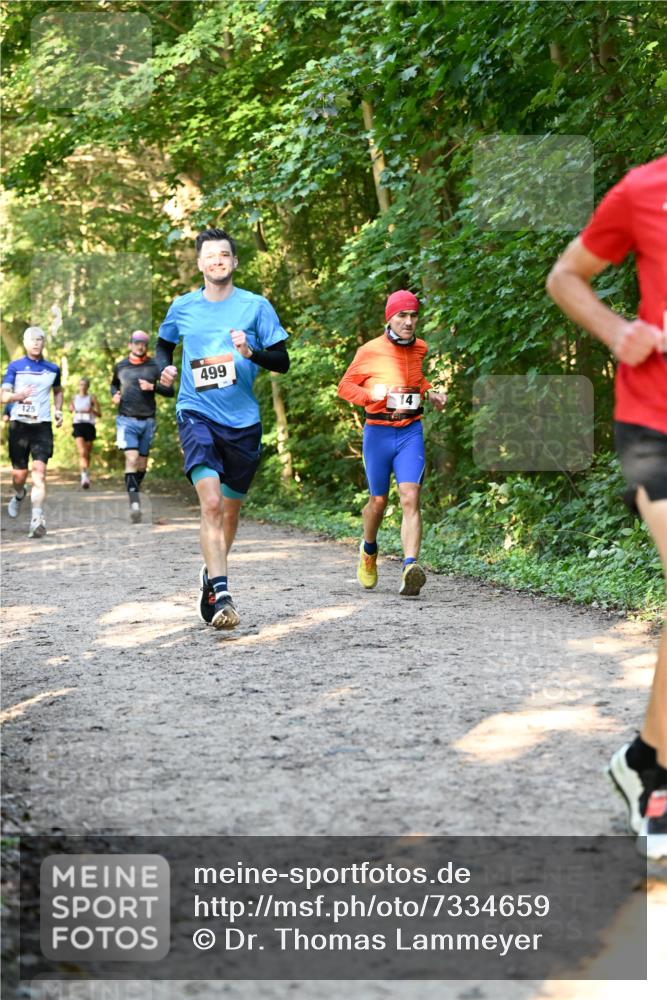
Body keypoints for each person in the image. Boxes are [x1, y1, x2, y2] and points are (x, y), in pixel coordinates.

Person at [546, 154, 667, 860]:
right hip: (654, 424)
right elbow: (565, 277)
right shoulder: (643, 189)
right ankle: (656, 784)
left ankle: (644, 761)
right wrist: (617, 332)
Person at [156, 227, 290, 631]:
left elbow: (282, 361)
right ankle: (223, 593)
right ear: (199, 264)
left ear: (234, 262)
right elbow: (164, 344)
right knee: (211, 504)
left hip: (244, 423)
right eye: (210, 256)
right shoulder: (182, 307)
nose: (218, 261)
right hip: (196, 412)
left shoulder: (256, 306)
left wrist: (252, 352)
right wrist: (163, 367)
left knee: (229, 512)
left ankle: (209, 575)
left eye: (225, 255)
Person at [337, 290, 446, 596]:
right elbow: (345, 387)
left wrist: (432, 391)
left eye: (413, 316)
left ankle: (410, 566)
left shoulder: (420, 348)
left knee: (410, 496)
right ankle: (369, 550)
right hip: (378, 433)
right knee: (379, 502)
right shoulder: (369, 351)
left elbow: (416, 381)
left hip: (410, 431)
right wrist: (369, 395)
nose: (409, 322)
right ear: (389, 317)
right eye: (402, 316)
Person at [2, 325, 63, 538]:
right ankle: (19, 494)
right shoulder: (15, 367)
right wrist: (18, 397)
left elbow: (57, 391)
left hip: (42, 426)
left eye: (40, 339)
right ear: (26, 343)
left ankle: (37, 519)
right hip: (19, 426)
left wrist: (59, 411)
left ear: (43, 342)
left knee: (40, 473)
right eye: (32, 339)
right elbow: (3, 396)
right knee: (20, 476)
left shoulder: (53, 369)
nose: (36, 342)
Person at [111, 331, 174, 523]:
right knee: (132, 458)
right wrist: (114, 394)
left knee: (142, 465)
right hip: (126, 420)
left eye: (144, 343)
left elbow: (170, 391)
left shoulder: (155, 366)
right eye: (137, 343)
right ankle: (134, 503)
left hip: (148, 421)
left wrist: (153, 387)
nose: (140, 346)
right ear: (130, 344)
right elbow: (113, 385)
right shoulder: (120, 366)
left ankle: (134, 490)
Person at [70, 377, 101, 489]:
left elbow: (99, 414)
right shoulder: (74, 397)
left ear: (88, 386)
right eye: (81, 384)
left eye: (84, 385)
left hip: (89, 426)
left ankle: (86, 472)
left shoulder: (92, 397)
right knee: (82, 452)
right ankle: (84, 477)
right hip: (78, 425)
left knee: (87, 453)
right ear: (78, 386)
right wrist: (71, 408)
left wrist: (91, 410)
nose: (82, 387)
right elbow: (71, 409)